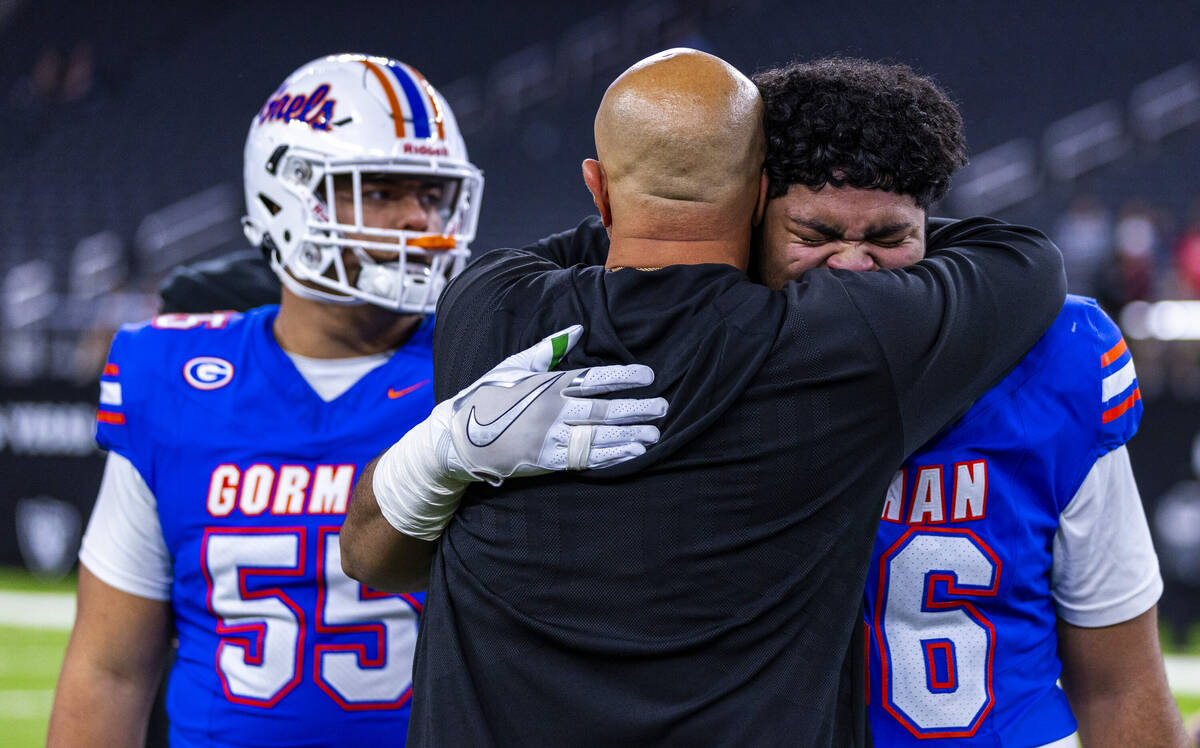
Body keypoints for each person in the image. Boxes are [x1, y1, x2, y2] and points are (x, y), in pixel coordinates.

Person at [341, 48, 1066, 746]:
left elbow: (382, 559)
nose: (845, 261)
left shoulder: (485, 310)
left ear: (597, 190)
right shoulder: (851, 345)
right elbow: (1024, 261)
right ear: (760, 197)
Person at [46, 52, 658, 748]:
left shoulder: (489, 365)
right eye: (382, 191)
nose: (418, 220)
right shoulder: (172, 374)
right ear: (286, 196)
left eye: (432, 196)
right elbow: (110, 668)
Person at [751, 59, 1184, 748]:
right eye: (816, 236)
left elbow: (1119, 680)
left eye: (888, 239)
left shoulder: (1051, 358)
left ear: (931, 229)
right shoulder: (703, 349)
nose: (853, 266)